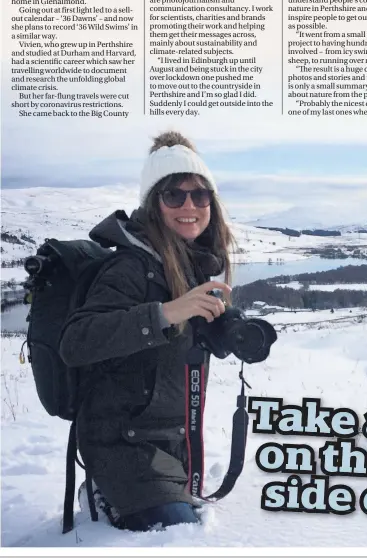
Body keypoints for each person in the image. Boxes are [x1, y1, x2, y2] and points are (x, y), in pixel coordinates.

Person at [59, 131, 236, 531]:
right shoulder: (131, 266)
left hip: (172, 440)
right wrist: (164, 313)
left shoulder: (194, 264)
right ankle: (103, 490)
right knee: (179, 532)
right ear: (154, 204)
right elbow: (76, 341)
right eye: (173, 195)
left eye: (200, 195)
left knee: (187, 521)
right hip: (121, 442)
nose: (189, 205)